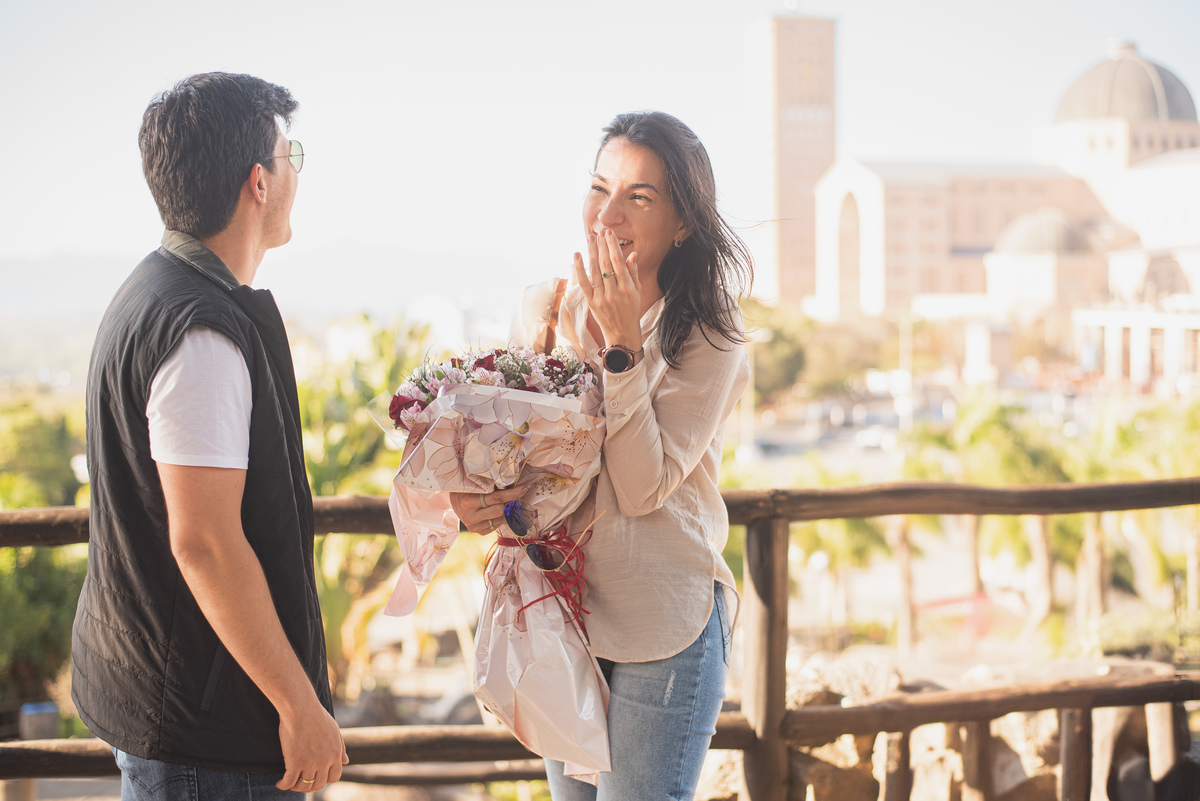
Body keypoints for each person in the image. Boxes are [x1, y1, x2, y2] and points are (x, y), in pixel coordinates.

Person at [452, 111, 752, 800]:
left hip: (663, 622)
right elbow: (523, 467)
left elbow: (643, 488)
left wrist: (623, 353)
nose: (607, 212)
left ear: (682, 224)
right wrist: (475, 500)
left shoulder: (709, 336)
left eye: (639, 196)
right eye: (599, 186)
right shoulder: (544, 309)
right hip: (562, 615)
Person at [72, 72, 347, 798]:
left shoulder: (151, 288)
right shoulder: (201, 335)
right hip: (207, 739)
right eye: (291, 158)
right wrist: (298, 704)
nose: (295, 175)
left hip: (171, 711)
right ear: (259, 182)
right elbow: (205, 542)